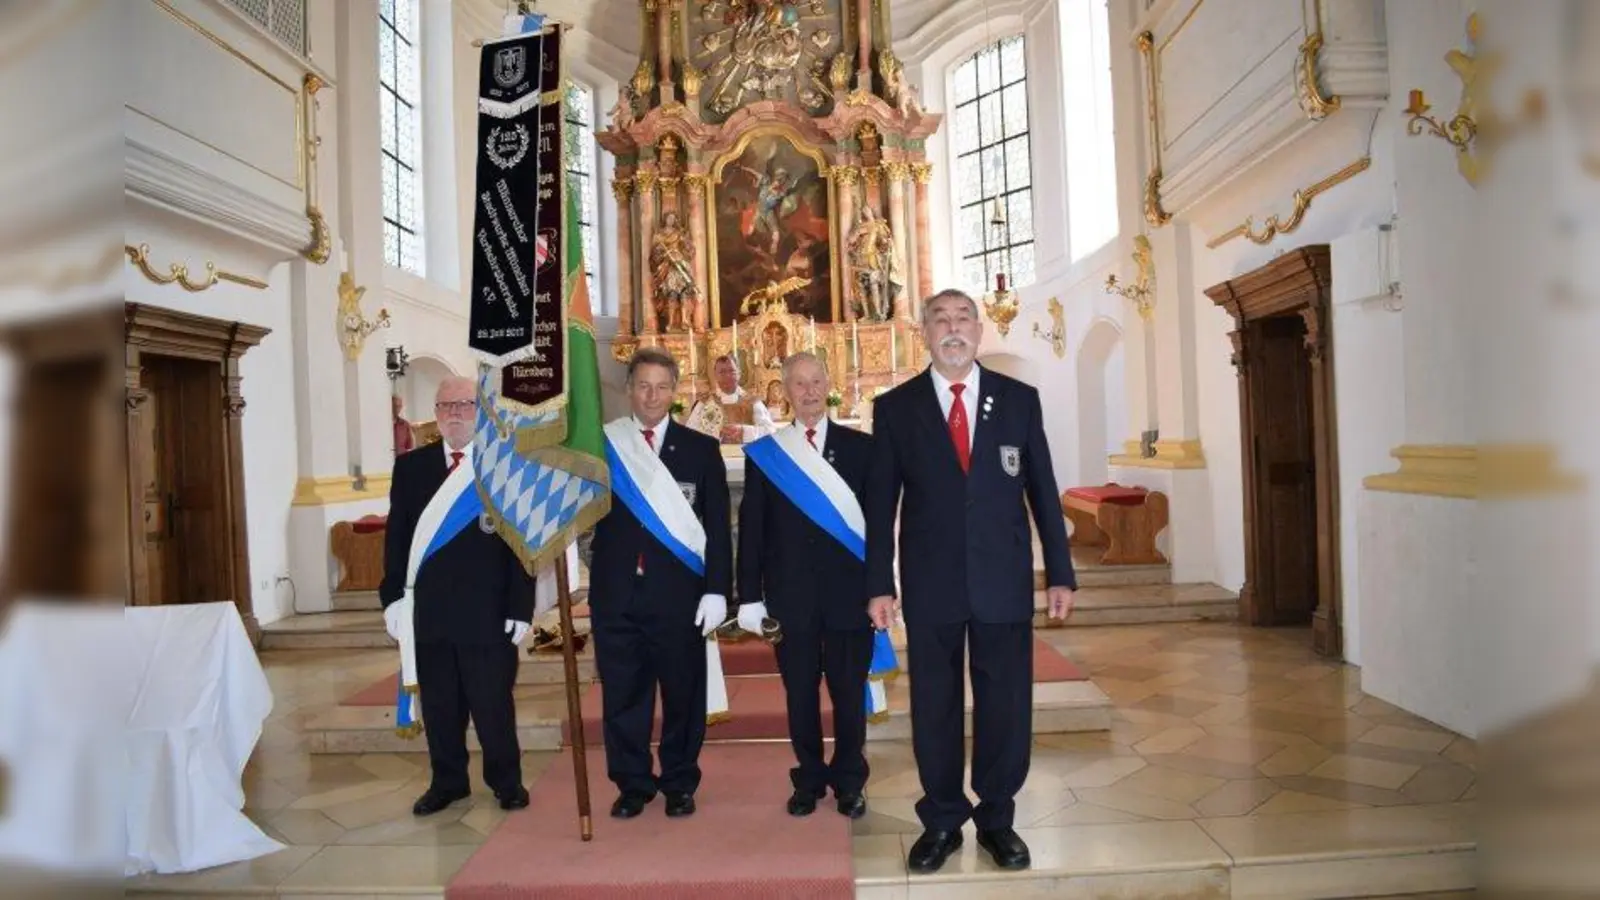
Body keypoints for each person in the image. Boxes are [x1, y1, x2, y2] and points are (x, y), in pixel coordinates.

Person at [864, 289, 1077, 874]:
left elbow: (1042, 491)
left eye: (962, 319)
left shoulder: (1019, 400)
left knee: (1005, 704)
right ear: (924, 333)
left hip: (1002, 580)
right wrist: (878, 584)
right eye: (940, 320)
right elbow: (881, 506)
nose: (952, 330)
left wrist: (1059, 572)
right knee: (934, 704)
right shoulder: (896, 408)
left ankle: (998, 819)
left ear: (980, 331)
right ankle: (940, 820)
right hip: (930, 584)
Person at [380, 376, 535, 816]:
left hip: (487, 613)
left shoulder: (502, 465)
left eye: (464, 405)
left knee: (493, 707)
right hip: (430, 612)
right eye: (445, 405)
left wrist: (520, 606)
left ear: (481, 410)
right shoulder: (412, 469)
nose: (453, 414)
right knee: (441, 707)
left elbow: (519, 542)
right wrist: (392, 596)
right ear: (435, 411)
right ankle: (447, 782)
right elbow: (398, 539)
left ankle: (507, 782)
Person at [589, 347, 732, 819]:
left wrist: (717, 590)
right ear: (629, 389)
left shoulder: (700, 450)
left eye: (662, 386)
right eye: (643, 385)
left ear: (675, 393)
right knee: (623, 694)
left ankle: (678, 781)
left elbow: (716, 529)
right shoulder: (601, 446)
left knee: (683, 694)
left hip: (680, 598)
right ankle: (632, 784)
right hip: (617, 594)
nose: (652, 395)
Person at [737, 352, 873, 819]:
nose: (809, 391)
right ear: (785, 391)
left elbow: (875, 529)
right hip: (790, 598)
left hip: (849, 597)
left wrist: (880, 590)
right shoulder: (768, 457)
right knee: (799, 692)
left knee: (849, 693)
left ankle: (851, 780)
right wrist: (749, 596)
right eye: (799, 383)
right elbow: (751, 531)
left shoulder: (862, 449)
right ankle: (810, 776)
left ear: (829, 384)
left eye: (816, 381)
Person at [684, 354, 776, 444]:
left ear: (739, 373)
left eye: (731, 371)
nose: (727, 376)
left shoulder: (752, 401)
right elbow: (689, 432)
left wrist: (743, 431)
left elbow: (770, 431)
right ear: (715, 375)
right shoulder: (705, 402)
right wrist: (717, 434)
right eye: (722, 372)